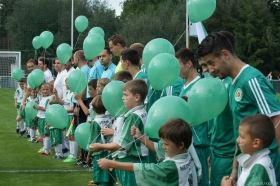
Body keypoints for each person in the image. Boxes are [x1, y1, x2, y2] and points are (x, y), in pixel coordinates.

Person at [197, 30, 280, 183]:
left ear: (225, 55)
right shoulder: (233, 83)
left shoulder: (251, 79)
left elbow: (276, 120)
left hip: (262, 166)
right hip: (247, 163)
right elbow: (240, 131)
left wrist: (268, 162)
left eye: (211, 63)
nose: (209, 69)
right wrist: (235, 169)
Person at [98, 118, 195, 186]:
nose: (163, 146)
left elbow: (141, 168)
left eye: (166, 144)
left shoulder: (171, 166)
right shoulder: (184, 155)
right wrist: (140, 136)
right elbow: (157, 147)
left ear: (181, 145)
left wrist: (112, 163)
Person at [90, 79, 148, 186]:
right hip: (139, 160)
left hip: (131, 160)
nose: (122, 98)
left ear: (136, 97)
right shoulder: (142, 111)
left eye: (126, 95)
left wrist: (100, 146)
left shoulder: (133, 116)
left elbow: (122, 145)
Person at [176, 48, 210, 186]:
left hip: (198, 144)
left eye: (178, 65)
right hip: (186, 145)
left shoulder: (201, 86)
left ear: (189, 64)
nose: (175, 69)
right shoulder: (184, 86)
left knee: (200, 181)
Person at [221, 114, 276, 186]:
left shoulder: (258, 168)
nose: (237, 140)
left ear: (256, 143)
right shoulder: (253, 158)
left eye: (241, 137)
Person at [88, 95, 114, 186]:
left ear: (93, 109)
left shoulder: (95, 122)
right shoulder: (109, 119)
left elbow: (92, 140)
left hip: (98, 152)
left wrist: (89, 154)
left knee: (100, 176)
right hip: (110, 149)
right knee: (109, 175)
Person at [34, 83, 52, 155]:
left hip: (46, 118)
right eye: (43, 89)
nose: (45, 91)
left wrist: (39, 108)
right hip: (40, 117)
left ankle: (47, 150)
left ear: (50, 90)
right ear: (41, 90)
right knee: (42, 134)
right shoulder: (42, 98)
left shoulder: (50, 98)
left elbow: (48, 109)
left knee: (46, 134)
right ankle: (45, 148)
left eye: (47, 89)